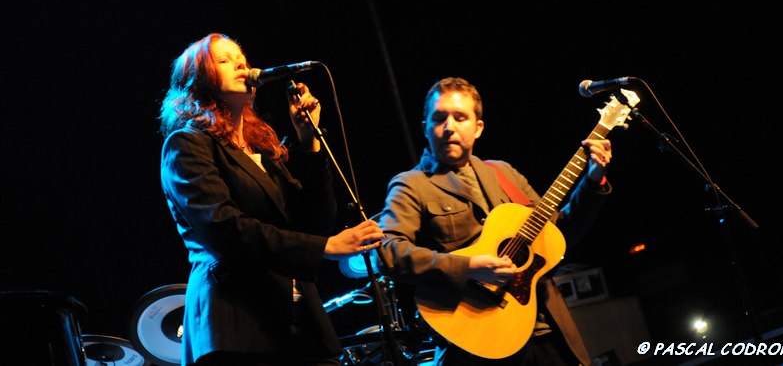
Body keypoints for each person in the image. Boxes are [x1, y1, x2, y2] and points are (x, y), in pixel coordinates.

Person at [158, 33, 384, 366]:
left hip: (302, 325)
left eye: (242, 59)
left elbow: (314, 223)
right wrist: (326, 247)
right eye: (223, 60)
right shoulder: (188, 145)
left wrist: (308, 143)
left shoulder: (264, 149)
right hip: (237, 326)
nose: (240, 64)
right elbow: (226, 229)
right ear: (200, 81)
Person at [377, 77, 614, 366]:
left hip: (546, 331)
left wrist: (592, 180)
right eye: (439, 118)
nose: (449, 127)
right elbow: (388, 253)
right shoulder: (411, 185)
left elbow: (559, 235)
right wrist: (469, 267)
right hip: (477, 343)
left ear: (478, 128)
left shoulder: (503, 173)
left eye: (460, 117)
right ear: (425, 126)